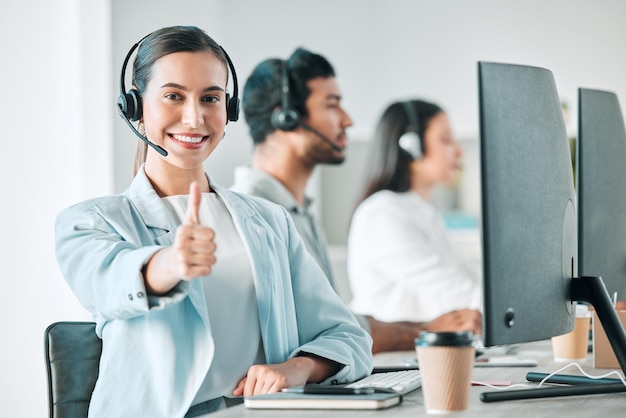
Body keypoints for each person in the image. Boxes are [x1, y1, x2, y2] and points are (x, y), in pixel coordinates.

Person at [54, 26, 372, 418]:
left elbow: (348, 337)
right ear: (134, 108)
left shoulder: (270, 221)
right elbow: (111, 282)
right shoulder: (89, 222)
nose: (194, 117)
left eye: (210, 98)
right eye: (173, 96)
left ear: (229, 110)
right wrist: (171, 263)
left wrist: (296, 369)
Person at [231, 48, 481, 354]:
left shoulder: (300, 213)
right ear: (287, 118)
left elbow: (333, 323)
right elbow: (309, 333)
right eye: (332, 105)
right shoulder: (250, 212)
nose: (347, 120)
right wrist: (425, 330)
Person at [347, 99, 482, 326]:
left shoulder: (424, 212)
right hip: (393, 357)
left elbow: (470, 283)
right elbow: (460, 296)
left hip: (425, 355)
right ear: (412, 147)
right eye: (446, 139)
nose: (458, 151)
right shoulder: (383, 213)